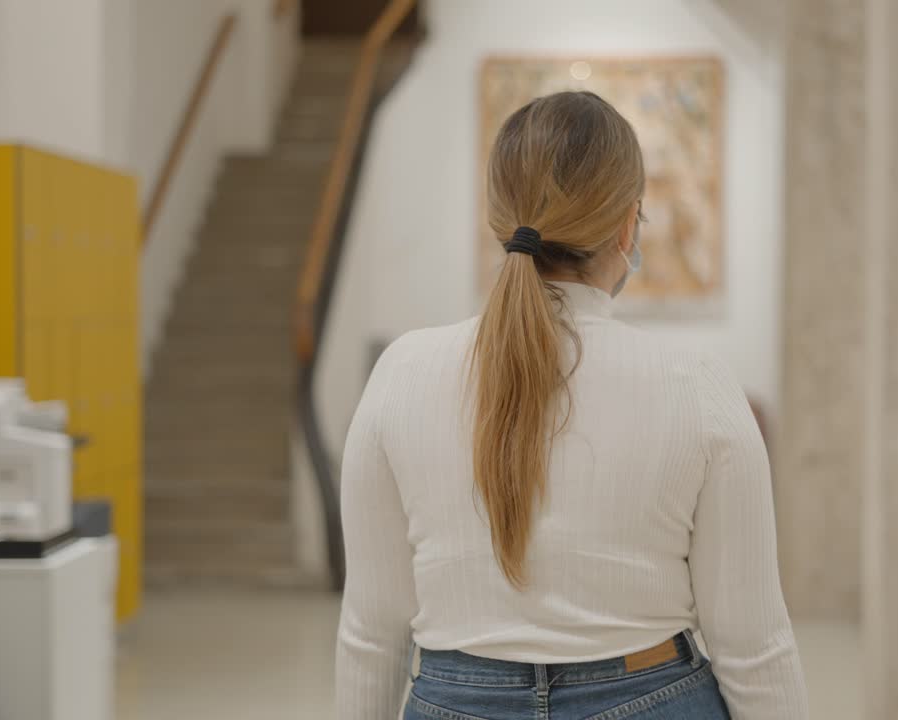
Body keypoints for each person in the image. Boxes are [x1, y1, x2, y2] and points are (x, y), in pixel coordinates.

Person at [336, 91, 807, 719]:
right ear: (627, 226)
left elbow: (371, 637)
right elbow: (753, 646)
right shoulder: (697, 384)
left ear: (499, 221)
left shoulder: (401, 373)